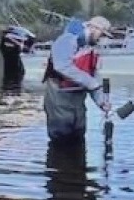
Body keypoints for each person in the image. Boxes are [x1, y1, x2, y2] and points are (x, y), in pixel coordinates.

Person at [41, 15, 113, 144]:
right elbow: (62, 66)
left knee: (79, 134)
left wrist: (102, 102)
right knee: (61, 137)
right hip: (59, 96)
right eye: (102, 35)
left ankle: (78, 163)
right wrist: (92, 83)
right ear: (93, 28)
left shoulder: (93, 48)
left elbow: (93, 77)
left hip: (78, 100)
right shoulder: (66, 40)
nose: (102, 39)